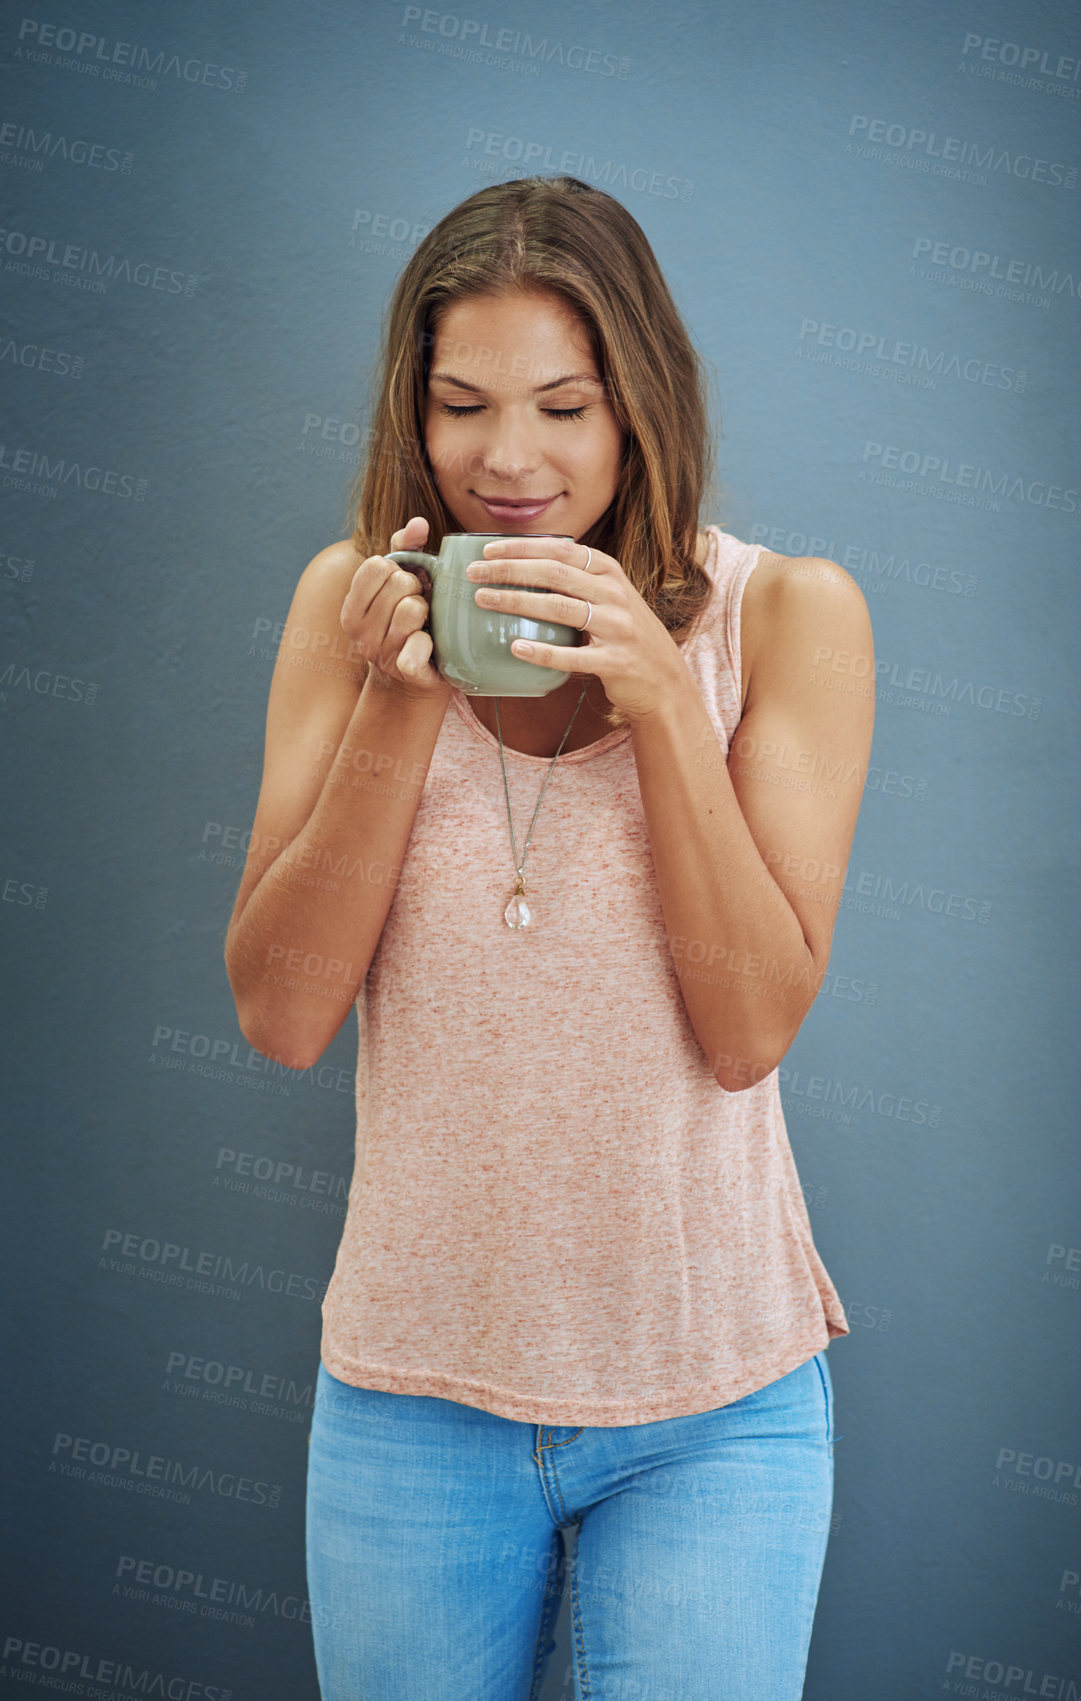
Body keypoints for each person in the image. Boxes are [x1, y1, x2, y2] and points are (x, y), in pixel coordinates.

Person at [225, 174, 874, 1701]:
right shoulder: (347, 606)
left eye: (563, 405)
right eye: (461, 405)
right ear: (417, 407)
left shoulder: (790, 619)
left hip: (715, 1402)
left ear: (638, 402)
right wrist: (401, 702)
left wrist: (661, 702)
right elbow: (282, 1014)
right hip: (412, 1392)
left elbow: (747, 1031)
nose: (507, 461)